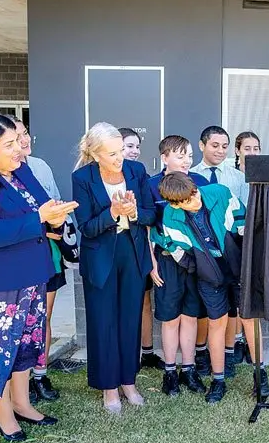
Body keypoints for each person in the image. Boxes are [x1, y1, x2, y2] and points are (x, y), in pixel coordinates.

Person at [0, 113, 77, 441]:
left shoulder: (21, 172)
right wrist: (39, 219)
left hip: (32, 274)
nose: (19, 150)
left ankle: (22, 403)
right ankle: (3, 413)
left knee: (25, 344)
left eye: (19, 141)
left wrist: (55, 220)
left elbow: (44, 207)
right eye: (9, 144)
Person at [150, 172, 269, 403]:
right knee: (217, 323)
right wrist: (199, 268)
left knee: (249, 319)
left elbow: (243, 220)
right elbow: (177, 248)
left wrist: (247, 256)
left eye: (193, 194)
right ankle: (218, 380)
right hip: (209, 278)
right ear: (175, 203)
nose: (194, 201)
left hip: (239, 268)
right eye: (186, 201)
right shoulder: (171, 216)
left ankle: (260, 374)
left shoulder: (219, 193)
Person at [72, 122, 156, 414]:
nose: (120, 158)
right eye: (111, 153)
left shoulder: (137, 171)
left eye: (121, 150)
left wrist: (134, 213)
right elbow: (86, 227)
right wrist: (112, 213)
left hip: (132, 254)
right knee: (104, 322)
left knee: (130, 320)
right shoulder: (82, 178)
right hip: (100, 258)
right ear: (95, 154)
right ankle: (109, 388)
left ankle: (128, 382)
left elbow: (151, 213)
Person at [7, 115, 64, 404]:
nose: (24, 140)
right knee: (16, 322)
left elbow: (53, 203)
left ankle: (40, 374)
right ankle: (18, 379)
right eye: (16, 137)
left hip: (48, 252)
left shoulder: (38, 166)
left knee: (43, 317)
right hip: (18, 258)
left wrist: (58, 223)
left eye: (25, 133)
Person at [148, 135, 209, 396]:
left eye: (189, 156)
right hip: (166, 260)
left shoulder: (201, 183)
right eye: (180, 155)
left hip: (195, 260)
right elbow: (148, 227)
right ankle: (170, 372)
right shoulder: (151, 186)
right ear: (165, 157)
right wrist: (151, 263)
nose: (186, 160)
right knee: (170, 318)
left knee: (191, 316)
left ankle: (189, 369)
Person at [190, 126, 248, 375]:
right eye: (215, 145)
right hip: (202, 253)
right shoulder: (190, 175)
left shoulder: (236, 176)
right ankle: (201, 354)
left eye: (225, 146)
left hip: (231, 251)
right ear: (202, 145)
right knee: (205, 306)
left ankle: (228, 353)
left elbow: (244, 213)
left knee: (230, 307)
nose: (221, 151)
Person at [118, 126, 163, 371]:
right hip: (114, 250)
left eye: (137, 146)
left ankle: (146, 352)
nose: (134, 151)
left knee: (144, 301)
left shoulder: (139, 174)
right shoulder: (93, 175)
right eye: (129, 146)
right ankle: (126, 355)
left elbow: (149, 213)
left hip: (140, 246)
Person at [230, 131, 262, 365]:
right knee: (236, 290)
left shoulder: (263, 177)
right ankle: (238, 340)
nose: (252, 152)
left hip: (257, 238)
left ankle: (253, 345)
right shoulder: (230, 177)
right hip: (234, 238)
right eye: (247, 148)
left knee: (251, 290)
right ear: (238, 151)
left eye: (256, 148)